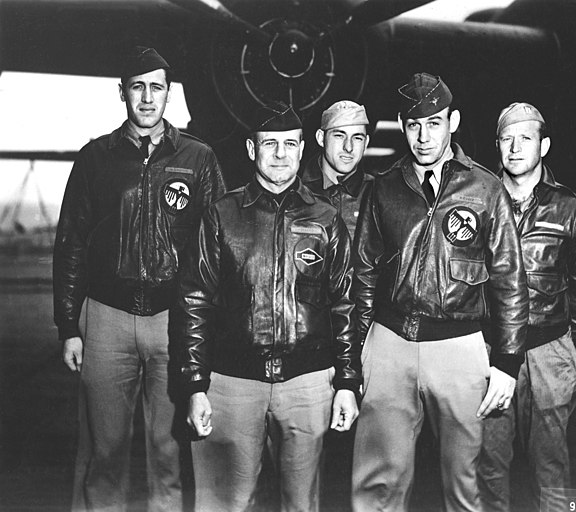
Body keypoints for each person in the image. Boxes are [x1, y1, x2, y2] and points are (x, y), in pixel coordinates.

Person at [53, 46, 226, 511]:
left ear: (170, 94)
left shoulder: (199, 158)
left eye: (157, 88)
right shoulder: (95, 159)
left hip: (173, 320)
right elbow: (70, 243)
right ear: (122, 93)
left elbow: (216, 249)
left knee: (169, 453)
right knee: (104, 451)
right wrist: (70, 325)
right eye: (138, 87)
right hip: (107, 319)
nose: (147, 98)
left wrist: (211, 326)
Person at [350, 72, 529, 512]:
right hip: (389, 344)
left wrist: (506, 362)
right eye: (413, 125)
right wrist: (353, 353)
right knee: (377, 484)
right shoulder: (383, 188)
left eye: (434, 123)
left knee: (464, 485)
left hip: (459, 347)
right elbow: (364, 275)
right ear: (401, 125)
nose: (423, 136)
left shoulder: (486, 189)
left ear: (453, 121)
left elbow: (509, 280)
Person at [177, 101, 361, 512]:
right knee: (226, 502)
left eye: (290, 144)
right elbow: (193, 302)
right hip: (231, 384)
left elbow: (345, 304)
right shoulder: (222, 215)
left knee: (303, 504)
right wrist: (193, 385)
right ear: (250, 149)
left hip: (307, 385)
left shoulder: (326, 219)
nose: (280, 154)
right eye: (270, 144)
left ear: (301, 149)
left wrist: (347, 382)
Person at [478, 102, 576, 512]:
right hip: (487, 352)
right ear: (497, 145)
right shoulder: (478, 203)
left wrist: (562, 338)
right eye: (507, 139)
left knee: (550, 466)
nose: (515, 148)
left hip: (547, 353)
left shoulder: (573, 210)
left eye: (526, 138)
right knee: (487, 464)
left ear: (544, 145)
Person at [300, 100, 372, 239]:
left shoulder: (378, 195)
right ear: (321, 138)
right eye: (339, 135)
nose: (348, 147)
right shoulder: (296, 191)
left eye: (357, 138)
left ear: (366, 143)